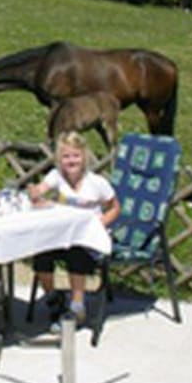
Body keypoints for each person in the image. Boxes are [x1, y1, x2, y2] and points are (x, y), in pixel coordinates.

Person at [27, 131, 120, 329]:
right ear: (59, 159)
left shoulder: (96, 183)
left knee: (77, 254)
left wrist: (100, 224)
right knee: (41, 253)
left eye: (75, 156)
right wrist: (36, 195)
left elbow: (115, 207)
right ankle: (53, 297)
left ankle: (77, 305)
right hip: (61, 235)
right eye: (66, 156)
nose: (71, 161)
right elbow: (39, 190)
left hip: (87, 237)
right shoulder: (57, 176)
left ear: (84, 157)